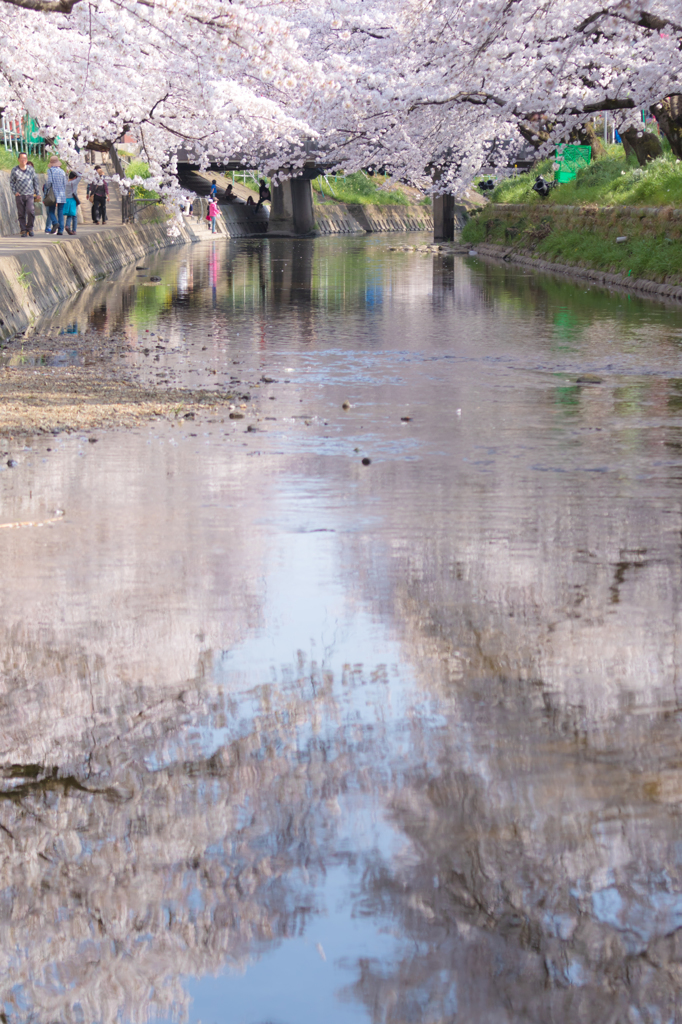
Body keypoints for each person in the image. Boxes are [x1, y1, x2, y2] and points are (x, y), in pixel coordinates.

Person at [9, 151, 40, 237]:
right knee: (21, 213)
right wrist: (15, 192)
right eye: (22, 158)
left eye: (25, 158)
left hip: (30, 194)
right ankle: (23, 230)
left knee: (31, 211)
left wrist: (37, 193)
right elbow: (11, 182)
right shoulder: (15, 170)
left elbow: (35, 181)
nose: (24, 160)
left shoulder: (31, 169)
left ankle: (30, 228)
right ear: (18, 159)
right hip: (19, 195)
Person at [46, 155, 67, 234]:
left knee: (51, 211)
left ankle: (55, 222)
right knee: (60, 212)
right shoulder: (62, 172)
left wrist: (47, 189)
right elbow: (65, 183)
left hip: (53, 195)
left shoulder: (50, 171)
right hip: (61, 195)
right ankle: (61, 230)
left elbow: (49, 183)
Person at [64, 171, 81, 235]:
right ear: (74, 177)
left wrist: (66, 173)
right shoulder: (74, 182)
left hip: (67, 199)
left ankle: (67, 226)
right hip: (73, 200)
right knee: (74, 215)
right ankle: (74, 230)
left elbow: (65, 177)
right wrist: (77, 171)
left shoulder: (66, 182)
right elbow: (80, 177)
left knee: (69, 214)